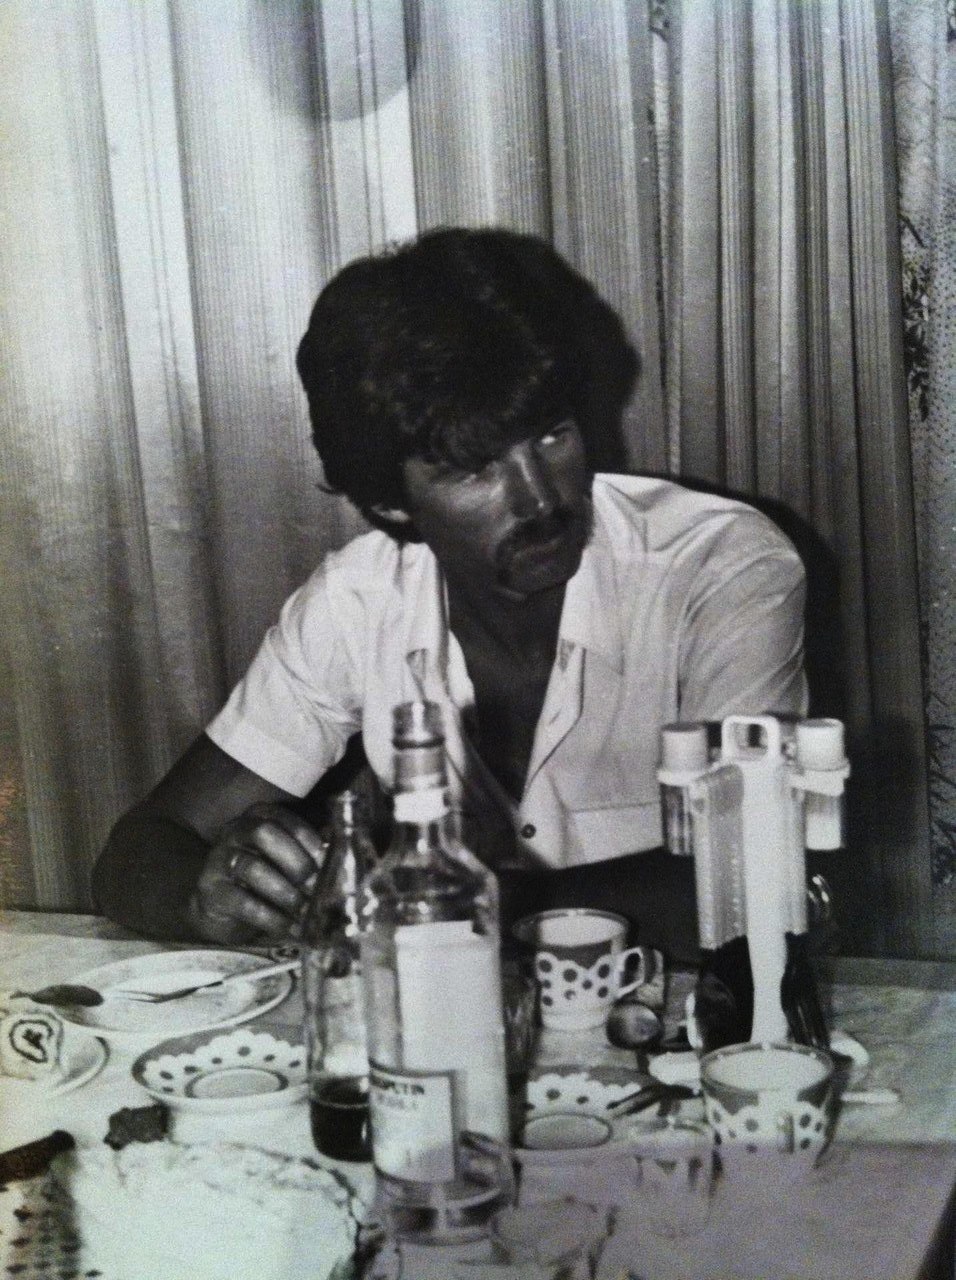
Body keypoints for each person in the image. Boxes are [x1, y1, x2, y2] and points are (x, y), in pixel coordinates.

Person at [92, 227, 807, 963]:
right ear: (390, 502)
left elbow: (755, 873)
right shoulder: (357, 599)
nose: (539, 500)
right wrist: (206, 894)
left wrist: (422, 902)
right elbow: (137, 853)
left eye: (552, 435)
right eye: (475, 470)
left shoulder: (718, 565)